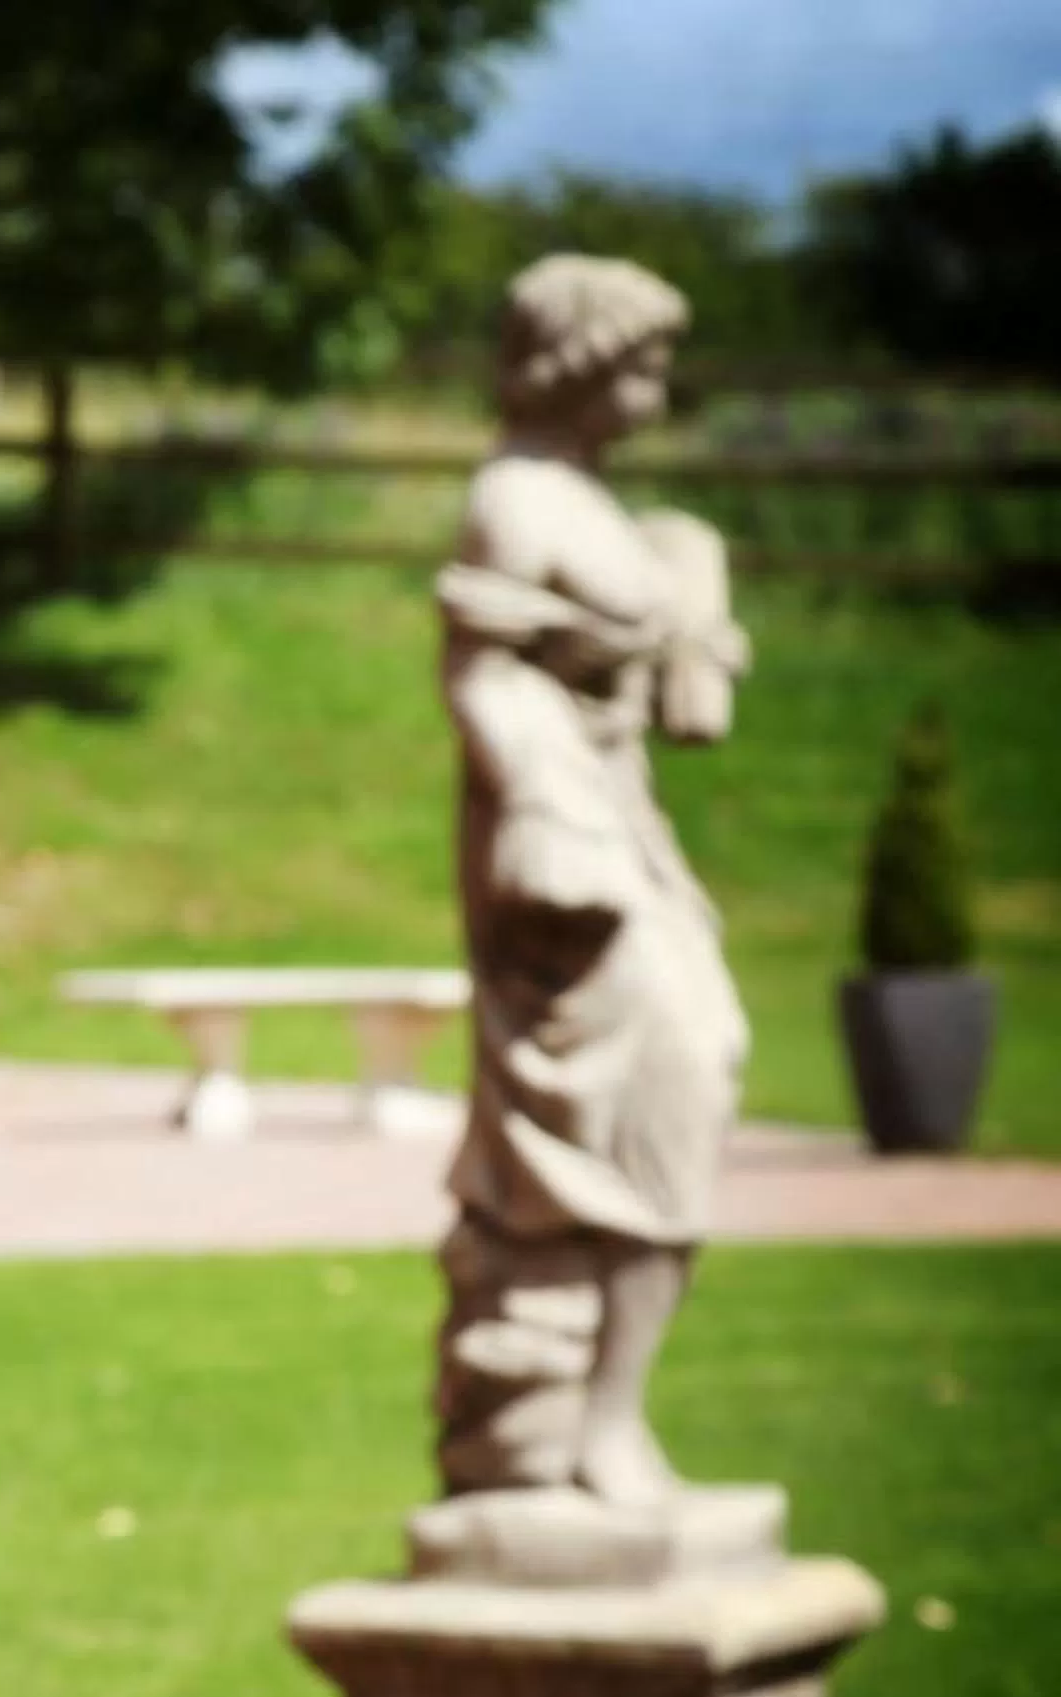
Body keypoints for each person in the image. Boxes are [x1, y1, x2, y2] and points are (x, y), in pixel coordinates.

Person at [431, 255, 754, 1507]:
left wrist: (692, 612)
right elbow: (483, 676)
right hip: (556, 847)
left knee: (694, 1069)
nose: (660, 385)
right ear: (578, 364)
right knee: (647, 1086)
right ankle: (583, 1428)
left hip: (620, 825)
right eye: (641, 361)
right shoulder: (516, 500)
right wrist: (544, 825)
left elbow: (689, 711)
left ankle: (606, 1416)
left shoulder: (609, 510)